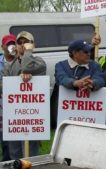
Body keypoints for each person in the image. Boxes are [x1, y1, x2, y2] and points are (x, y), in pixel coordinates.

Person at [0, 31, 47, 159]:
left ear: (33, 45)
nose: (22, 45)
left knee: (30, 154)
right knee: (15, 153)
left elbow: (27, 66)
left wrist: (27, 52)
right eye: (19, 43)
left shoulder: (40, 62)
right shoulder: (10, 66)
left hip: (32, 116)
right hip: (15, 116)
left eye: (26, 42)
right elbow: (5, 86)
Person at [0, 34, 17, 161]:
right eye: (8, 44)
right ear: (2, 47)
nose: (12, 46)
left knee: (11, 139)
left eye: (13, 43)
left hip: (16, 106)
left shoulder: (23, 60)